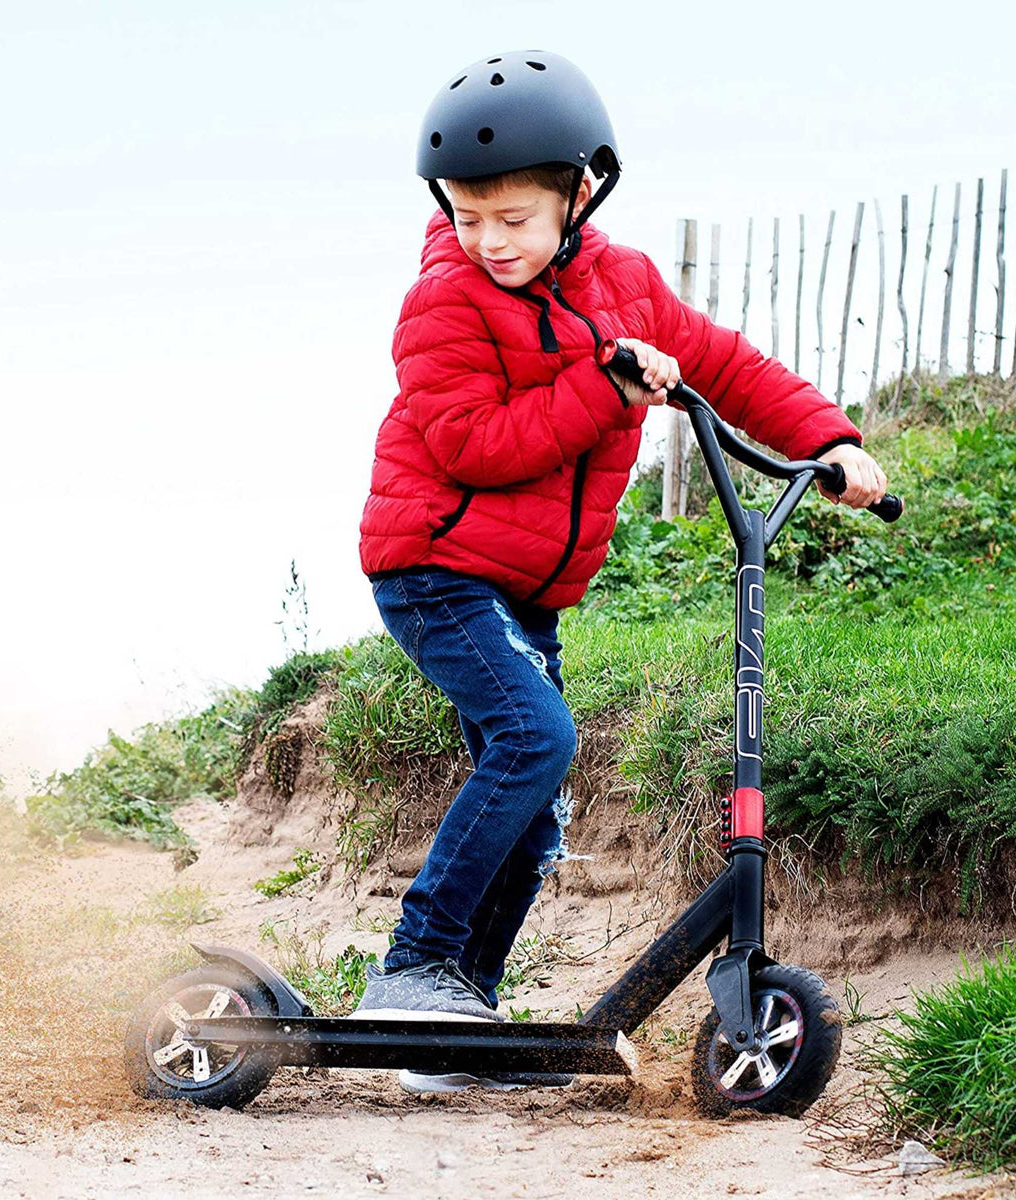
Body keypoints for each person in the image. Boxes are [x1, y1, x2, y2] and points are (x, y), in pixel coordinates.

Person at [354, 50, 887, 1092]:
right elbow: (474, 446)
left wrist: (829, 440)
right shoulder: (445, 304)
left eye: (512, 218)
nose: (488, 241)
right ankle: (413, 967)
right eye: (467, 216)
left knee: (537, 799)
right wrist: (608, 390)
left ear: (579, 193)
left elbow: (727, 366)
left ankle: (461, 1012)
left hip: (528, 588)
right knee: (535, 737)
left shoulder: (628, 284)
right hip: (436, 568)